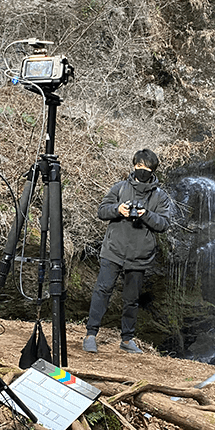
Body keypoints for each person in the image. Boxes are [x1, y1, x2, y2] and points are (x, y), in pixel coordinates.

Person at [83, 149, 172, 354]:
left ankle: (127, 339)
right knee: (102, 292)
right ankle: (90, 334)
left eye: (146, 167)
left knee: (132, 299)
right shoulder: (120, 188)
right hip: (113, 250)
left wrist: (145, 214)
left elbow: (163, 224)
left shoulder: (160, 197)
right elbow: (102, 211)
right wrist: (118, 210)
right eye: (139, 166)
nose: (142, 170)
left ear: (153, 170)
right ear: (133, 166)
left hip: (139, 255)